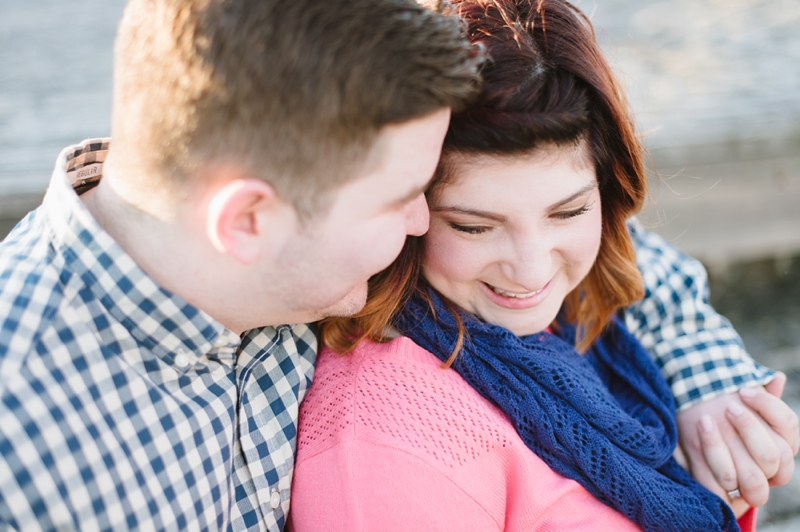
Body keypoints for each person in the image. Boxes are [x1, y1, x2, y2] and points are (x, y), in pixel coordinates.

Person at [290, 0, 797, 530]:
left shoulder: (580, 320)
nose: (531, 272)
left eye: (569, 211)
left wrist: (709, 426)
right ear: (405, 210)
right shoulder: (386, 440)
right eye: (474, 226)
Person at [0, 0, 481, 530]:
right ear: (247, 221)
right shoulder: (21, 446)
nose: (421, 222)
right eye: (401, 198)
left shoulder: (289, 273)